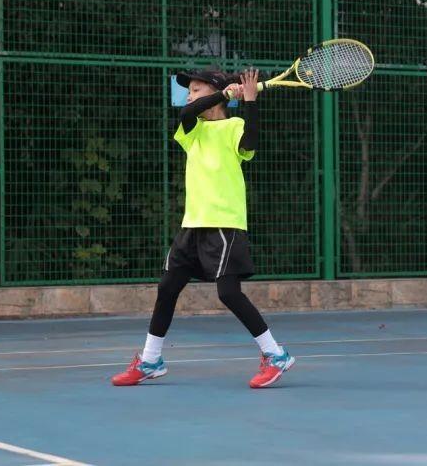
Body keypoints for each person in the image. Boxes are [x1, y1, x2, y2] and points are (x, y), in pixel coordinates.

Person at [112, 68, 294, 388]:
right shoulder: (193, 129)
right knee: (167, 288)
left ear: (216, 94)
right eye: (189, 90)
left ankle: (275, 354)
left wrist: (250, 102)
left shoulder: (234, 126)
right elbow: (187, 112)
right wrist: (224, 94)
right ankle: (151, 360)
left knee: (228, 293)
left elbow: (250, 142)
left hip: (224, 223)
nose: (189, 96)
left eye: (197, 90)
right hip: (192, 225)